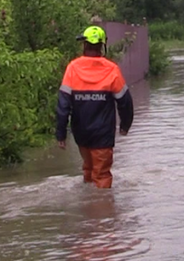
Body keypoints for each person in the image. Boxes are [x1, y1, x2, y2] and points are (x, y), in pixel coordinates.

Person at [56, 25, 134, 188]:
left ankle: (88, 209)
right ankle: (102, 209)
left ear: (84, 44)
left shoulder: (72, 68)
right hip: (103, 134)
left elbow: (63, 105)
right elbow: (125, 102)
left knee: (88, 169)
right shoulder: (112, 69)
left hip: (81, 133)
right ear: (102, 46)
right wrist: (125, 126)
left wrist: (61, 133)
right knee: (102, 174)